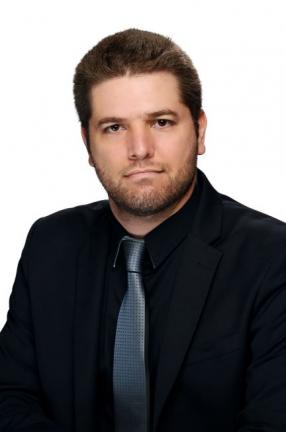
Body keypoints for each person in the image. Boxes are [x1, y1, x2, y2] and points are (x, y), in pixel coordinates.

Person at [0, 28, 286, 432]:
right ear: (87, 142)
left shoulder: (272, 258)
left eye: (162, 122)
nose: (140, 149)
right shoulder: (50, 245)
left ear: (200, 131)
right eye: (114, 127)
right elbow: (11, 398)